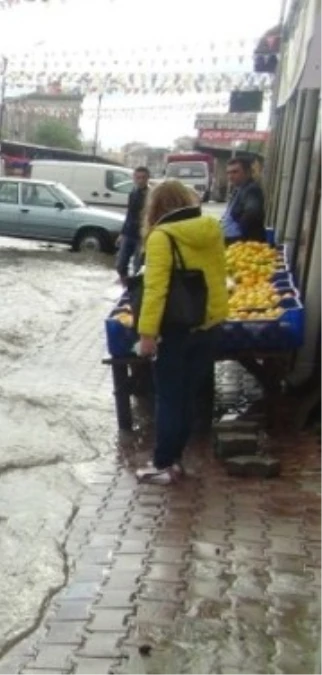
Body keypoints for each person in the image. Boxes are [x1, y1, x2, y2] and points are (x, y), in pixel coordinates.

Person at [135, 180, 228, 485]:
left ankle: (163, 464)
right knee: (188, 396)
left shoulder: (162, 237)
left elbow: (155, 290)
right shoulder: (211, 228)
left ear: (157, 207)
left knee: (169, 397)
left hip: (177, 330)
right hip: (209, 325)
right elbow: (218, 276)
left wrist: (147, 334)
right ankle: (175, 460)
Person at [115, 167, 151, 284]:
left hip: (142, 235)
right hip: (129, 233)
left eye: (143, 178)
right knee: (120, 264)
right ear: (134, 178)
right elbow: (129, 214)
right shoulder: (133, 193)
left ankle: (133, 292)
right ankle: (125, 286)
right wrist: (122, 233)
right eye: (138, 178)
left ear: (147, 179)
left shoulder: (151, 195)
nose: (140, 180)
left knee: (137, 266)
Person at [220, 157, 267, 245]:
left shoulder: (251, 189)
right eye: (228, 173)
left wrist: (238, 232)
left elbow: (252, 213)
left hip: (242, 243)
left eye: (235, 172)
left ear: (247, 172)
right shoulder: (238, 189)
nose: (230, 176)